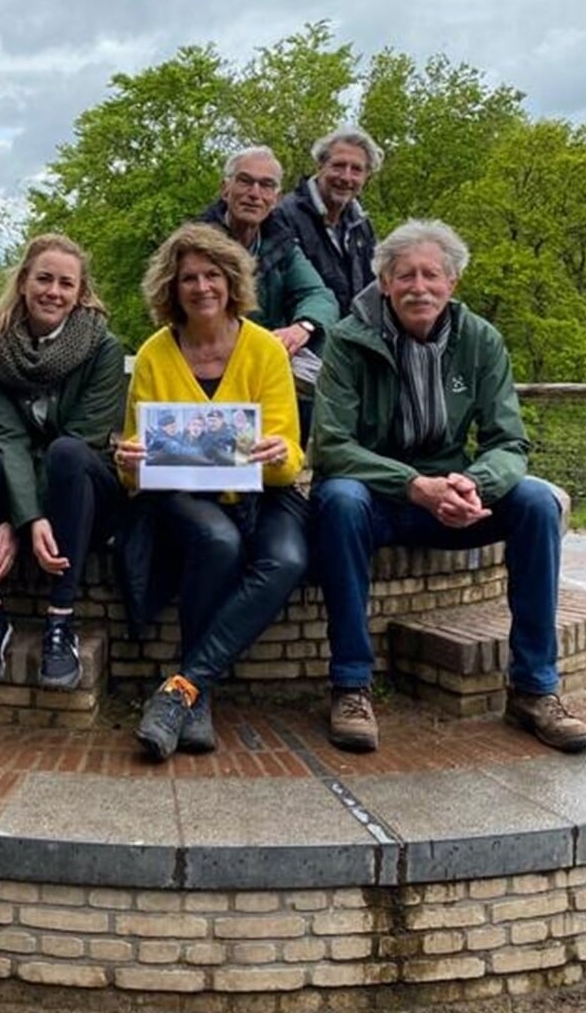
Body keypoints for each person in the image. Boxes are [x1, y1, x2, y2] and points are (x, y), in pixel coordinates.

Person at [309, 219, 586, 755]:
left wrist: (473, 483)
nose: (420, 287)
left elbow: (510, 441)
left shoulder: (480, 339)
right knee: (338, 500)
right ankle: (350, 684)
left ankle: (534, 690)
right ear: (385, 283)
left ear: (452, 283)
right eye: (406, 275)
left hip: (455, 494)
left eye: (432, 275)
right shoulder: (347, 341)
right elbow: (332, 447)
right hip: (380, 499)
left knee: (535, 500)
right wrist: (414, 485)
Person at [116, 223, 307, 762]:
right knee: (218, 541)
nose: (201, 287)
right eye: (188, 278)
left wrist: (274, 455)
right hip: (183, 494)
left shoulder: (266, 349)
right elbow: (137, 457)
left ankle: (184, 689)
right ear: (171, 289)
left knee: (289, 557)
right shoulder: (156, 352)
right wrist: (130, 460)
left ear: (232, 281)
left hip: (263, 494)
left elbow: (290, 459)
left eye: (212, 275)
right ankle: (197, 702)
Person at [0, 234, 126, 689]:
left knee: (67, 452)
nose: (53, 291)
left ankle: (61, 621)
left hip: (85, 491)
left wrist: (23, 516)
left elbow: (81, 438)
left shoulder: (102, 349)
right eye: (44, 279)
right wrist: (20, 515)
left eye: (66, 284)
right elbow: (3, 435)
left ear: (80, 293)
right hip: (24, 482)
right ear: (24, 281)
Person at [195, 146, 338, 363]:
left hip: (264, 361)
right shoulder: (194, 245)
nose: (255, 194)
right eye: (245, 181)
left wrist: (303, 327)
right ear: (225, 189)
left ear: (276, 199)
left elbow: (320, 296)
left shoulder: (282, 244)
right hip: (206, 359)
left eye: (266, 185)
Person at [279, 126, 383, 307]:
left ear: (367, 176)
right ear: (320, 166)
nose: (346, 177)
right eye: (338, 166)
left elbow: (374, 286)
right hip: (303, 329)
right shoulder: (284, 216)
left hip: (350, 332)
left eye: (356, 169)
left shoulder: (361, 224)